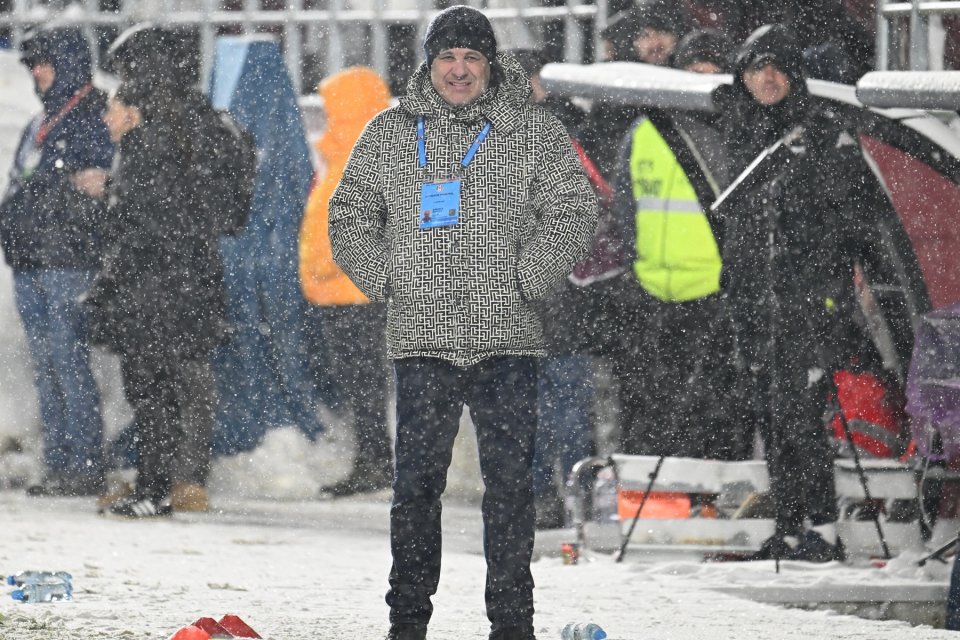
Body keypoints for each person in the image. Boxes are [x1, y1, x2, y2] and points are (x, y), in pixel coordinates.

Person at [329, 6, 597, 640]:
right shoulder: (389, 133)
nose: (458, 69)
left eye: (471, 58)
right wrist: (391, 282)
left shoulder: (533, 132)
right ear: (430, 63)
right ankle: (407, 624)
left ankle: (511, 625)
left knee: (510, 491)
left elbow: (575, 210)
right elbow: (349, 219)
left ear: (490, 65)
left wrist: (527, 281)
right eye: (447, 57)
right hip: (422, 340)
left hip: (508, 341)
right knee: (416, 490)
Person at [716, 24, 887, 561]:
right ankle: (786, 525)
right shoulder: (740, 129)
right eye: (755, 69)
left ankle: (820, 529)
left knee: (804, 421)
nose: (766, 79)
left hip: (807, 306)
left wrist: (824, 288)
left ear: (795, 74)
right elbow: (737, 224)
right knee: (770, 418)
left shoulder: (822, 133)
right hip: (754, 303)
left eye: (777, 68)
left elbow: (854, 223)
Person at [91, 57, 229, 517]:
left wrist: (113, 215)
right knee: (158, 393)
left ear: (134, 113)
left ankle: (153, 489)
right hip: (170, 293)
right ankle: (154, 485)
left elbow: (149, 229)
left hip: (157, 295)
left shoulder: (146, 154)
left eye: (113, 109)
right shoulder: (165, 150)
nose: (106, 118)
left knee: (154, 393)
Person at [609, 28, 749, 462]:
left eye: (711, 69)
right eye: (694, 68)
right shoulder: (643, 131)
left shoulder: (737, 135)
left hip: (713, 296)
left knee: (713, 414)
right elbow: (624, 209)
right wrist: (634, 270)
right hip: (652, 296)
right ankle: (667, 506)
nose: (701, 78)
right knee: (656, 411)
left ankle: (705, 501)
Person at [0, 26, 111, 497]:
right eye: (31, 65)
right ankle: (59, 462)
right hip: (31, 258)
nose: (36, 73)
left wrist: (66, 192)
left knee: (69, 361)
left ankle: (84, 463)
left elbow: (98, 187)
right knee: (46, 364)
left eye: (44, 63)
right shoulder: (40, 120)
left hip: (68, 260)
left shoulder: (93, 115)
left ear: (67, 63)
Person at [299, 66, 393, 497]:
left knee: (367, 385)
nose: (324, 114)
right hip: (337, 291)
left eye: (333, 104)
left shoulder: (370, 154)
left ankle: (378, 462)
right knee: (360, 385)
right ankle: (374, 460)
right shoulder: (344, 153)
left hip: (357, 292)